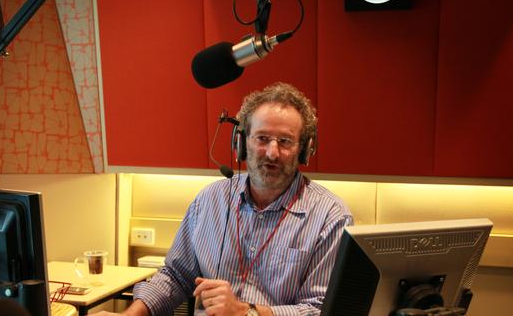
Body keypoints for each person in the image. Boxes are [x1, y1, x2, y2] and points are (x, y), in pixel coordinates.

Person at [95, 82, 353, 316]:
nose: (272, 153)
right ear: (241, 143)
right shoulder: (210, 200)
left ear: (305, 150)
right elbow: (176, 275)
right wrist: (132, 315)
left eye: (285, 141)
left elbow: (319, 310)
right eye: (262, 138)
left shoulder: (330, 216)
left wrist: (245, 312)